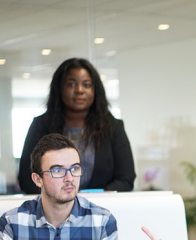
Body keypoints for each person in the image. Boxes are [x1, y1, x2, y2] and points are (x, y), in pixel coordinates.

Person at [18, 57, 136, 194]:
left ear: (95, 90)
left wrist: (91, 200)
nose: (79, 90)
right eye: (71, 84)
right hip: (53, 211)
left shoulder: (113, 127)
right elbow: (26, 179)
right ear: (59, 88)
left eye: (87, 85)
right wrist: (62, 198)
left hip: (101, 209)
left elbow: (126, 179)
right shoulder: (41, 126)